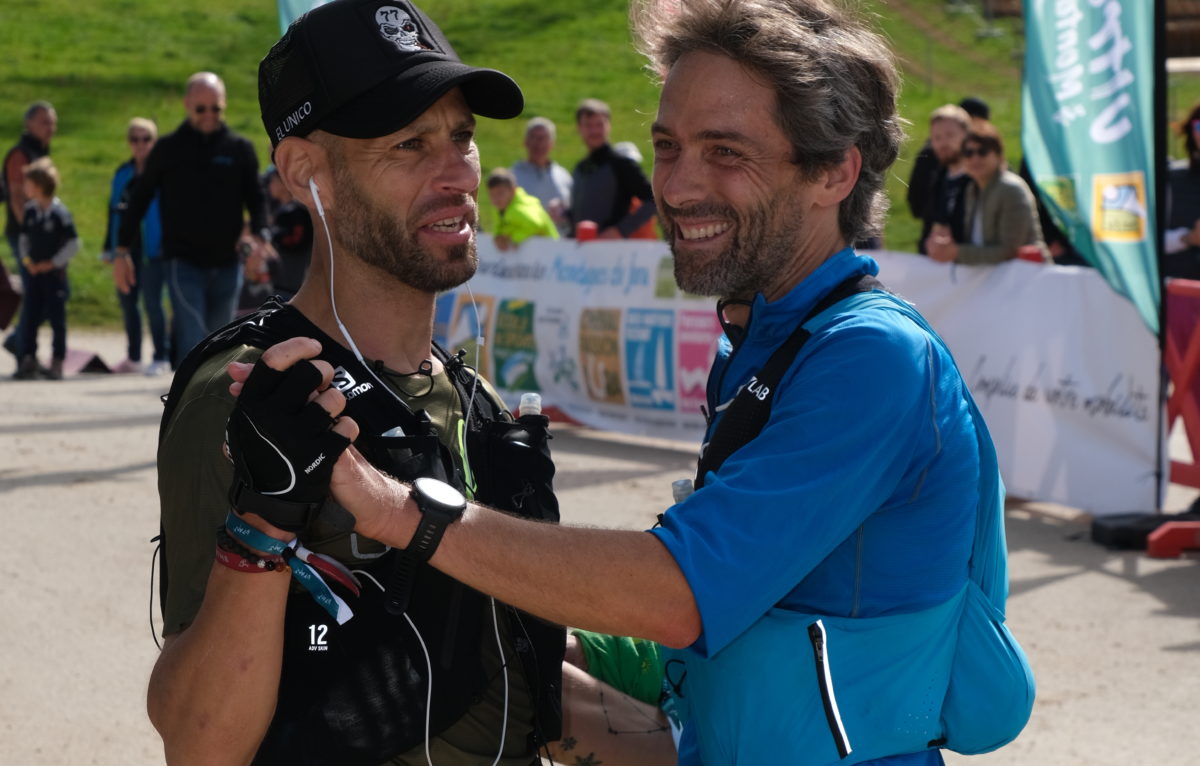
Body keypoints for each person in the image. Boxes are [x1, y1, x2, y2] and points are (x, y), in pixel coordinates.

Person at [227, 1, 1033, 765]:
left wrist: (402, 512)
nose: (676, 186)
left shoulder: (872, 359)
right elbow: (750, 644)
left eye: (726, 151)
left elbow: (682, 592)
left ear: (833, 173)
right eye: (670, 145)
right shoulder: (765, 339)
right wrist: (526, 637)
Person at [145, 2, 569, 763]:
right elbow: (199, 743)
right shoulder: (251, 392)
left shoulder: (477, 404)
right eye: (410, 142)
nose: (457, 172)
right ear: (309, 172)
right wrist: (265, 522)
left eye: (463, 136)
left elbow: (511, 685)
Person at [114, 72, 271, 360]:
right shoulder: (168, 149)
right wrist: (121, 251)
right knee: (195, 337)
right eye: (201, 108)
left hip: (226, 263)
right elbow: (139, 199)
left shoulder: (239, 149)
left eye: (216, 108)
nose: (209, 115)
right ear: (187, 104)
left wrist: (261, 235)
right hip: (182, 262)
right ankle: (188, 401)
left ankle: (214, 402)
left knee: (222, 340)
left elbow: (256, 199)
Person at [926, 121, 1048, 264]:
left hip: (1028, 278)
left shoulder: (1011, 189)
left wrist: (956, 252)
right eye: (968, 153)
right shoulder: (971, 189)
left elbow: (1009, 252)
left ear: (999, 156)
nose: (975, 158)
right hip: (994, 278)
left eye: (982, 151)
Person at [103, 118, 171, 375]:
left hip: (156, 248)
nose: (140, 144)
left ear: (154, 142)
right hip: (126, 249)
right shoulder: (122, 174)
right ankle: (133, 356)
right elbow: (113, 212)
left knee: (153, 302)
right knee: (128, 301)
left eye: (146, 138)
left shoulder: (164, 175)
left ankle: (161, 356)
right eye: (135, 139)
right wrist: (110, 247)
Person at [3, 101, 57, 364]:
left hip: (41, 237)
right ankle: (23, 349)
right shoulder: (20, 154)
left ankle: (19, 341)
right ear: (29, 124)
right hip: (23, 236)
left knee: (48, 292)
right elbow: (16, 197)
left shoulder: (40, 152)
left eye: (53, 122)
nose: (51, 127)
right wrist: (32, 237)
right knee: (37, 291)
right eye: (45, 122)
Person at [13, 157, 78, 380]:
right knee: (29, 316)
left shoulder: (60, 213)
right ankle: (28, 359)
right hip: (34, 275)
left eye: (28, 183)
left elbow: (73, 243)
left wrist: (53, 262)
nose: (24, 188)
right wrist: (27, 261)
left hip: (54, 275)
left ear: (39, 186)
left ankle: (57, 361)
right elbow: (23, 240)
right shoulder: (30, 212)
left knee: (57, 319)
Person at [568, 98, 656, 239]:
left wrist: (620, 230)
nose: (594, 130)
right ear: (579, 128)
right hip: (580, 254)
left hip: (613, 254)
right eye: (588, 125)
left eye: (599, 124)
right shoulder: (580, 168)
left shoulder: (621, 164)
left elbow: (653, 199)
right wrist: (564, 214)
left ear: (608, 126)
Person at [905, 97, 985, 252]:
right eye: (937, 137)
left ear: (967, 135)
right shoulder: (937, 179)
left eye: (950, 135)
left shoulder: (982, 180)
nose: (943, 143)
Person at [511, 116, 573, 237]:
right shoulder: (513, 176)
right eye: (533, 137)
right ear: (525, 142)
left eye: (543, 138)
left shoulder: (563, 177)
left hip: (559, 246)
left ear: (552, 143)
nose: (538, 143)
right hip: (523, 246)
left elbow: (574, 212)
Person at [1165, 101, 1200, 279]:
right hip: (1181, 291)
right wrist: (1188, 238)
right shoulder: (1170, 178)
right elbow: (1142, 242)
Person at [486, 167, 558, 250]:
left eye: (500, 193)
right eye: (492, 194)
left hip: (551, 250)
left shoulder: (519, 208)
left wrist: (513, 238)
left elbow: (536, 224)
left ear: (513, 190)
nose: (496, 198)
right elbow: (499, 226)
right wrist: (497, 236)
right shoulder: (499, 207)